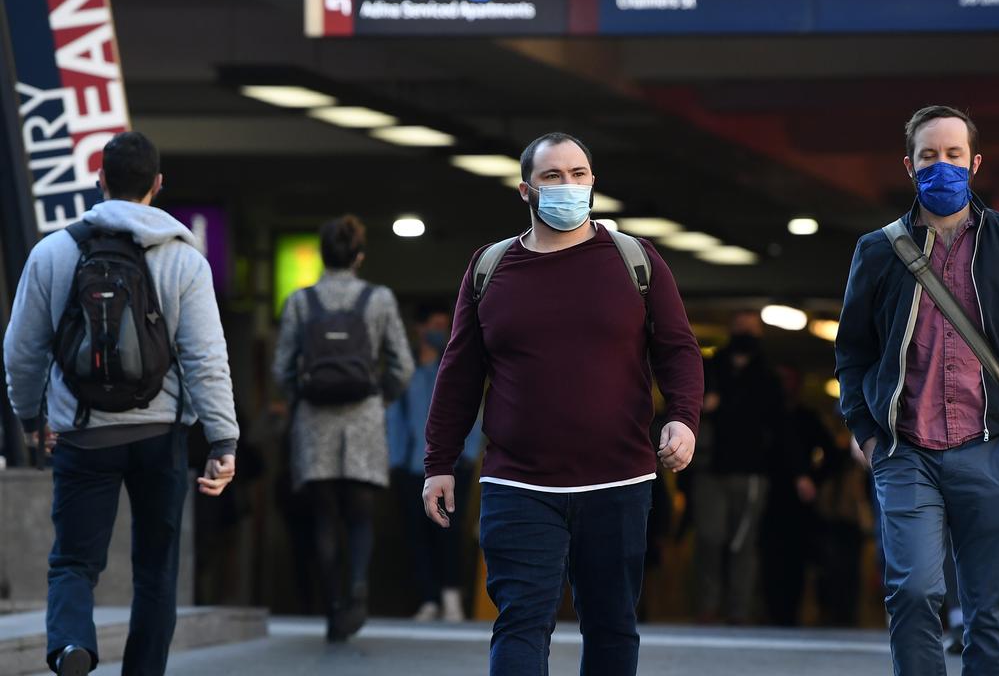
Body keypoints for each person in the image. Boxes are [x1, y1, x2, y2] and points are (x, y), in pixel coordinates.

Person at [421, 132, 703, 676]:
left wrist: (683, 419)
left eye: (578, 174)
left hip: (618, 479)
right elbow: (459, 373)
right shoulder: (490, 268)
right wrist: (439, 464)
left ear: (594, 182)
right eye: (553, 176)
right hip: (518, 483)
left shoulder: (635, 260)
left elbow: (678, 350)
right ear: (526, 190)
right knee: (521, 622)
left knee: (612, 623)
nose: (568, 186)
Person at [834, 105, 999, 675]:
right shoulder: (879, 250)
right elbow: (852, 350)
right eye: (929, 156)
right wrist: (866, 434)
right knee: (912, 592)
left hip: (993, 448)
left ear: (974, 163)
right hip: (906, 451)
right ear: (909, 167)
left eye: (953, 155)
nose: (942, 166)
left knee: (990, 607)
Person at [4, 132, 239, 676]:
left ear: (100, 180)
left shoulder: (55, 251)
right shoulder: (185, 260)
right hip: (161, 437)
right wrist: (222, 439)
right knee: (156, 570)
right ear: (158, 185)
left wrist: (31, 418)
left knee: (73, 561)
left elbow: (20, 349)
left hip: (83, 435)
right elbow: (205, 356)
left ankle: (70, 646)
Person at [273, 215, 413, 642]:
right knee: (359, 517)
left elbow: (282, 369)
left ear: (322, 254)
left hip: (315, 423)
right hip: (363, 420)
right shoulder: (379, 298)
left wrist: (302, 396)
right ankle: (357, 588)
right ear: (358, 256)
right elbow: (402, 365)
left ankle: (334, 604)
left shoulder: (300, 301)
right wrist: (379, 397)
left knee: (323, 518)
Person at [385, 305, 483, 622]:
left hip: (453, 466)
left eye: (446, 324)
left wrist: (467, 456)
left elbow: (472, 411)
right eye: (437, 324)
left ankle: (451, 595)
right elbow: (394, 417)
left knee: (450, 532)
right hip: (412, 466)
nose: (442, 330)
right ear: (420, 328)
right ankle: (428, 597)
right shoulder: (405, 369)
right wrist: (395, 459)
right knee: (417, 533)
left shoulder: (455, 363)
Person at [695, 311, 787, 624]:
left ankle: (738, 610)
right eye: (740, 328)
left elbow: (779, 425)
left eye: (751, 329)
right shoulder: (711, 367)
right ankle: (708, 606)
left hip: (752, 471)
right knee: (709, 538)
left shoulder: (767, 376)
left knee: (743, 544)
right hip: (710, 466)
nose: (745, 334)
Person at [758, 364, 826, 626]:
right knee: (768, 556)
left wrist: (813, 478)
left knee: (795, 559)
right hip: (768, 493)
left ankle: (789, 614)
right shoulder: (766, 416)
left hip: (798, 501)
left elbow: (832, 453)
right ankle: (770, 612)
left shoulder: (807, 418)